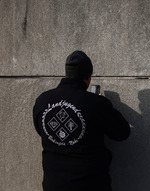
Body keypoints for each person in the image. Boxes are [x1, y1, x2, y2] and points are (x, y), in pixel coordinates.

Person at [33, 50, 130, 191]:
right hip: (89, 184)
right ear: (88, 77)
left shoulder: (42, 100)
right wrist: (103, 104)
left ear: (67, 73)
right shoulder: (96, 103)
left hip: (53, 184)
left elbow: (41, 130)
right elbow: (122, 132)